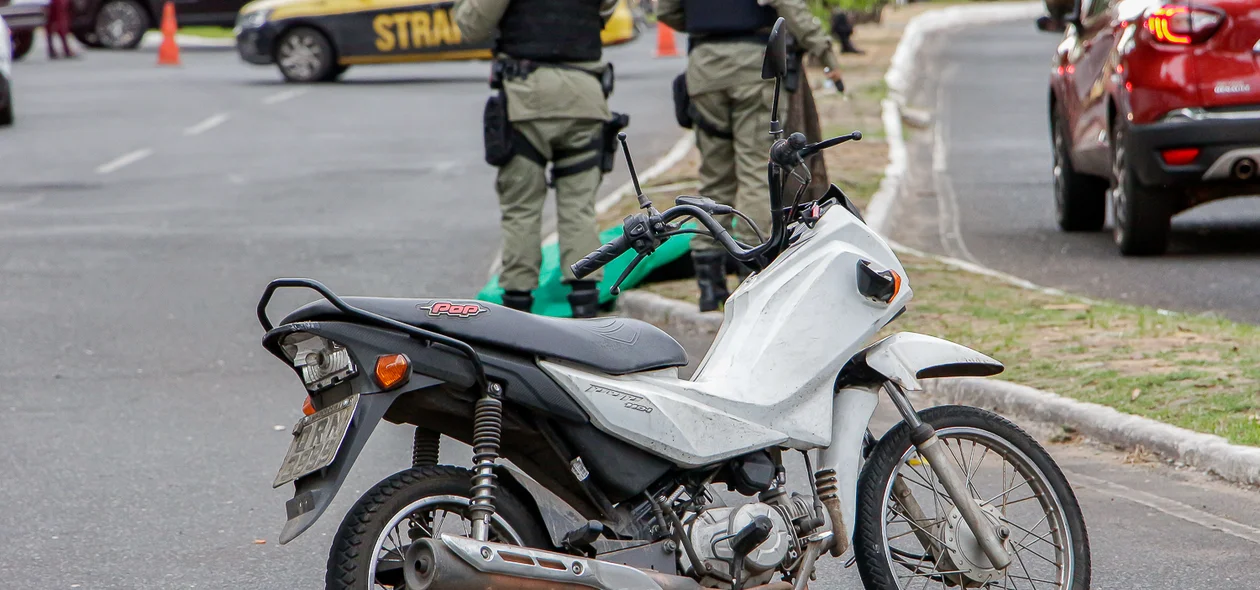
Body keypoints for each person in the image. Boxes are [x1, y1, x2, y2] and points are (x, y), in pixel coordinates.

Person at [658, 0, 845, 311]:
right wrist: (826, 54)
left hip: (704, 68)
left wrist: (707, 29)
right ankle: (752, 274)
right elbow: (790, 7)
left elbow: (666, 12)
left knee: (713, 178)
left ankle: (709, 285)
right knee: (759, 173)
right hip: (753, 66)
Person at [454, 0, 620, 318]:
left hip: (526, 100)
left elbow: (472, 25)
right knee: (580, 210)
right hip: (585, 98)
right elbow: (605, 10)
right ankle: (585, 310)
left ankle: (519, 314)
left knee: (521, 209)